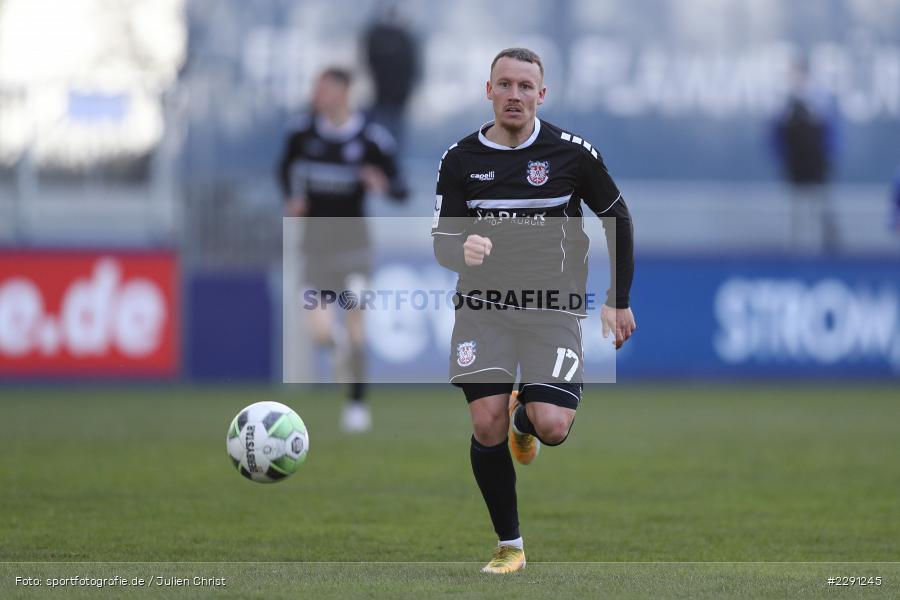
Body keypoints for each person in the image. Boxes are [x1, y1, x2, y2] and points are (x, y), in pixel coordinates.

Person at [431, 48, 636, 573]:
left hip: (553, 310)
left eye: (526, 86)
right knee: (485, 423)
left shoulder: (572, 153)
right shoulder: (459, 160)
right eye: (505, 85)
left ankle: (527, 415)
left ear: (541, 95)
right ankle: (510, 547)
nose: (515, 95)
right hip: (483, 308)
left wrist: (619, 299)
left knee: (552, 426)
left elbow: (619, 219)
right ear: (489, 91)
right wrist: (462, 250)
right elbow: (442, 242)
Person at [278, 67, 407, 433]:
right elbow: (283, 169)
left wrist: (382, 183)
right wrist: (292, 196)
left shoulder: (370, 138)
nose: (318, 94)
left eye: (326, 88)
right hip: (315, 247)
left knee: (355, 324)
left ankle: (356, 406)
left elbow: (400, 187)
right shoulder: (301, 133)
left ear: (344, 92)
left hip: (355, 249)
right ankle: (336, 349)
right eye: (316, 88)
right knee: (318, 330)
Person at [771, 59, 841, 253]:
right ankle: (793, 252)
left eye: (799, 75)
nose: (796, 80)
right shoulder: (784, 104)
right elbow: (775, 136)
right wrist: (781, 158)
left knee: (821, 206)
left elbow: (831, 133)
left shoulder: (820, 101)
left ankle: (829, 249)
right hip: (795, 165)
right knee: (794, 210)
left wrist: (829, 157)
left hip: (816, 164)